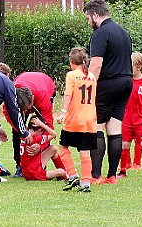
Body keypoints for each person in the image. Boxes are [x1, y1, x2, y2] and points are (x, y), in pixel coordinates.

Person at [83, 0, 133, 185]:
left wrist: (87, 87)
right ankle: (112, 175)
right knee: (115, 128)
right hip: (126, 82)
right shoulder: (123, 32)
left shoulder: (100, 34)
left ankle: (96, 175)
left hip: (108, 84)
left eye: (88, 18)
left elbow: (96, 65)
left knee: (97, 127)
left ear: (95, 15)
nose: (89, 23)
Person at [56, 47, 97, 193]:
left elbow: (68, 95)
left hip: (74, 119)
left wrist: (62, 112)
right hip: (90, 119)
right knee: (85, 152)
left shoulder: (72, 75)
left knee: (63, 147)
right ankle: (86, 182)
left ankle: (72, 175)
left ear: (72, 61)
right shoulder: (91, 76)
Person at [3, 71, 56, 178]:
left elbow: (48, 125)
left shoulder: (42, 96)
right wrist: (23, 133)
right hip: (24, 83)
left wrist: (40, 146)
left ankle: (41, 164)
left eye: (27, 109)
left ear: (32, 102)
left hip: (45, 86)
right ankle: (19, 166)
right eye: (22, 110)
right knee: (18, 131)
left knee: (40, 128)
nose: (26, 112)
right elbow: (8, 115)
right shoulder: (10, 95)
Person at [20, 116, 67, 181]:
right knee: (61, 172)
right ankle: (65, 174)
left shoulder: (24, 135)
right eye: (41, 131)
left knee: (53, 148)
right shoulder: (36, 138)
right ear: (39, 130)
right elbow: (53, 134)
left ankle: (63, 172)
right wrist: (42, 124)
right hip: (34, 173)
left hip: (27, 170)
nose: (42, 133)